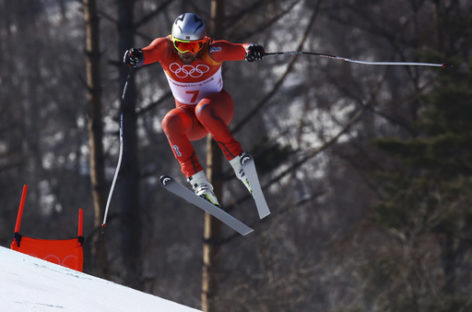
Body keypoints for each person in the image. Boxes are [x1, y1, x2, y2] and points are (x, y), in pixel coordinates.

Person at [123, 12, 264, 207]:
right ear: (173, 41)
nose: (187, 53)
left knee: (203, 108)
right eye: (181, 45)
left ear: (203, 42)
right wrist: (136, 56)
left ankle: (241, 166)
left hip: (217, 109)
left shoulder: (212, 51)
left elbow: (237, 49)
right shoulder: (165, 48)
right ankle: (199, 183)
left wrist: (250, 50)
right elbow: (149, 52)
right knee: (169, 122)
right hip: (191, 121)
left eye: (194, 46)